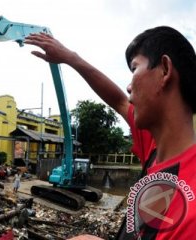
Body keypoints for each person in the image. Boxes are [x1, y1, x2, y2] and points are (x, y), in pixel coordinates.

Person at [25, 26, 196, 239]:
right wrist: (70, 58)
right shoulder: (157, 149)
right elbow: (119, 101)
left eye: (134, 69)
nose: (128, 87)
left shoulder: (190, 213)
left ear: (164, 70)